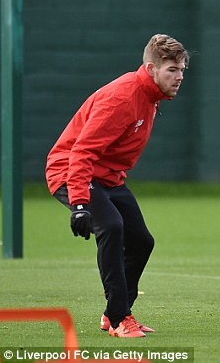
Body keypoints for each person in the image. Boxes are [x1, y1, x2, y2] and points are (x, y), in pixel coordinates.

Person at [46, 34, 190, 337]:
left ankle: (117, 312)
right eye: (172, 70)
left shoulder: (150, 96)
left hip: (108, 177)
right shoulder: (123, 97)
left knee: (141, 241)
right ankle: (118, 317)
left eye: (181, 70)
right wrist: (80, 204)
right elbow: (81, 152)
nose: (179, 77)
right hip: (71, 171)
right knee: (111, 226)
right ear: (151, 69)